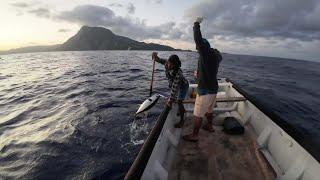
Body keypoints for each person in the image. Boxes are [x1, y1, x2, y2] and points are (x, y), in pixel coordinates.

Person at [183, 17, 222, 142]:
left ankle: (194, 135)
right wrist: (199, 74)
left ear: (203, 47)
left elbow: (198, 40)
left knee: (198, 114)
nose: (197, 49)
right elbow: (209, 68)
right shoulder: (216, 55)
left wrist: (196, 24)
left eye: (198, 47)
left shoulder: (205, 53)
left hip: (205, 89)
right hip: (214, 88)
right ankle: (209, 126)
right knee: (210, 110)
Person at [152, 52, 189, 128]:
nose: (168, 66)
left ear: (175, 65)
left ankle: (182, 121)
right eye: (168, 63)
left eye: (171, 65)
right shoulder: (167, 63)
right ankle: (183, 111)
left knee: (179, 101)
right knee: (175, 99)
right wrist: (155, 57)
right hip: (174, 84)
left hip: (183, 86)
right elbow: (159, 60)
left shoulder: (178, 74)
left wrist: (170, 100)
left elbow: (175, 88)